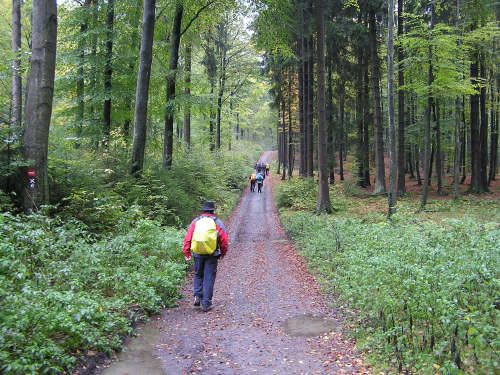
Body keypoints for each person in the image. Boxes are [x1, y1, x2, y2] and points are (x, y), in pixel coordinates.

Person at [183, 201, 228, 312]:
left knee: (198, 274)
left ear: (203, 210)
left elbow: (188, 237)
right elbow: (224, 240)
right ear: (213, 210)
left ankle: (197, 296)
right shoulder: (217, 222)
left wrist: (187, 251)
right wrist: (223, 252)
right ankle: (206, 303)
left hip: (197, 253)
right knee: (209, 276)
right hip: (212, 254)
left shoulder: (196, 221)